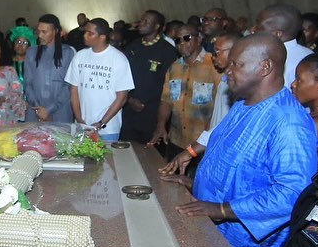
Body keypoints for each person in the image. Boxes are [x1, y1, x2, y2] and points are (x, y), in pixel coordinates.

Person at [167, 34, 318, 247]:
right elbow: (233, 167)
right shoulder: (242, 105)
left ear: (264, 67)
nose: (226, 70)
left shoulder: (289, 123)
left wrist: (222, 208)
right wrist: (194, 184)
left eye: (236, 64)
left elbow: (292, 193)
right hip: (218, 235)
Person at [159, 31, 243, 175]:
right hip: (188, 141)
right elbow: (215, 119)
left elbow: (224, 125)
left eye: (217, 52)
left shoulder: (240, 86)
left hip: (214, 149)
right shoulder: (226, 82)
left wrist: (191, 151)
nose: (214, 56)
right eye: (177, 40)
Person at [148, 24, 222, 159]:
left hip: (203, 144)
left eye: (186, 38)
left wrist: (206, 135)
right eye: (177, 40)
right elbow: (166, 101)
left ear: (199, 39)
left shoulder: (214, 65)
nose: (182, 43)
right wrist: (161, 125)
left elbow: (222, 106)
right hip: (176, 141)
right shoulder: (173, 68)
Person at [65, 18, 133, 141]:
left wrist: (101, 123)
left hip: (108, 129)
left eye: (90, 33)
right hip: (81, 127)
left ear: (102, 37)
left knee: (107, 160)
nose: (85, 35)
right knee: (80, 160)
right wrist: (80, 120)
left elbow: (122, 97)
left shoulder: (118, 59)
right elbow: (74, 91)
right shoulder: (79, 56)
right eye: (85, 32)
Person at [120, 10, 178, 144]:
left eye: (146, 22)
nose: (141, 24)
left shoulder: (167, 50)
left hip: (152, 113)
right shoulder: (133, 46)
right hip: (129, 109)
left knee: (149, 156)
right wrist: (129, 99)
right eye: (141, 20)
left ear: (157, 26)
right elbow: (122, 76)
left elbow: (168, 85)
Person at [23, 14, 75, 123]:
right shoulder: (32, 52)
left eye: (44, 32)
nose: (40, 35)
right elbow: (28, 84)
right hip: (35, 111)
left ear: (55, 31)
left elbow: (68, 85)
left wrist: (49, 110)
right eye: (39, 31)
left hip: (60, 111)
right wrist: (38, 109)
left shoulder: (67, 53)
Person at [252, 4, 313, 88]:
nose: (252, 30)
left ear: (277, 34)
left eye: (259, 27)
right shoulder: (309, 53)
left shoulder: (272, 60)